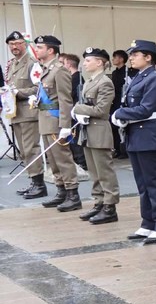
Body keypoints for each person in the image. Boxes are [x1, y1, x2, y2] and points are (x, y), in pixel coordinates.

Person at [113, 40, 156, 243]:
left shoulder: (154, 78)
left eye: (135, 54)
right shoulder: (139, 77)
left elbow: (146, 108)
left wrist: (120, 113)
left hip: (147, 133)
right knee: (142, 183)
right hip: (135, 134)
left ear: (148, 57)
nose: (131, 57)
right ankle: (148, 223)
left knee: (153, 182)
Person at [32, 35, 81, 211]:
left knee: (63, 159)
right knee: (53, 160)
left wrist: (65, 125)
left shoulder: (59, 70)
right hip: (45, 119)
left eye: (39, 47)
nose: (37, 51)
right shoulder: (46, 69)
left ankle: (73, 194)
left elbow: (65, 99)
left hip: (55, 120)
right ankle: (61, 191)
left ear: (50, 50)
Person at [72, 47, 119, 224]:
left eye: (88, 60)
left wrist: (77, 108)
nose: (84, 63)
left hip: (99, 130)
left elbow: (101, 109)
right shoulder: (89, 81)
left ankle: (110, 207)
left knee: (104, 171)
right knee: (93, 171)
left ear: (99, 62)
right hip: (88, 131)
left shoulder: (105, 82)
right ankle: (99, 202)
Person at [5, 32, 46, 198]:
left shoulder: (32, 63)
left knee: (31, 149)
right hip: (16, 113)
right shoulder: (13, 64)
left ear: (25, 44)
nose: (15, 47)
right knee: (24, 151)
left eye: (18, 43)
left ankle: (39, 185)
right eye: (11, 44)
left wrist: (17, 92)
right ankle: (33, 181)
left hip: (29, 113)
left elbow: (39, 88)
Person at [110, 49, 128, 158]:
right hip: (115, 101)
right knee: (114, 125)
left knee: (123, 126)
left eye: (115, 57)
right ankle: (117, 148)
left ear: (121, 59)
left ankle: (124, 150)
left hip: (123, 101)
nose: (113, 60)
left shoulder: (128, 71)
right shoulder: (114, 72)